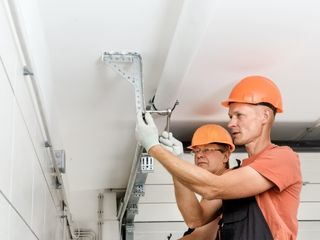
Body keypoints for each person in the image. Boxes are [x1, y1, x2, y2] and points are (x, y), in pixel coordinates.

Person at [136, 75, 302, 239]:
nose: (231, 123)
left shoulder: (283, 158)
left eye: (239, 115)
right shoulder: (235, 175)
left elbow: (212, 187)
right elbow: (195, 218)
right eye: (230, 116)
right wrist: (176, 163)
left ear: (265, 116)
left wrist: (154, 148)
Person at [159, 124, 235, 240]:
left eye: (207, 150)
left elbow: (200, 234)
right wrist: (177, 165)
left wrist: (177, 164)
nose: (199, 155)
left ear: (225, 156)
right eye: (196, 150)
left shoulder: (228, 181)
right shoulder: (210, 190)